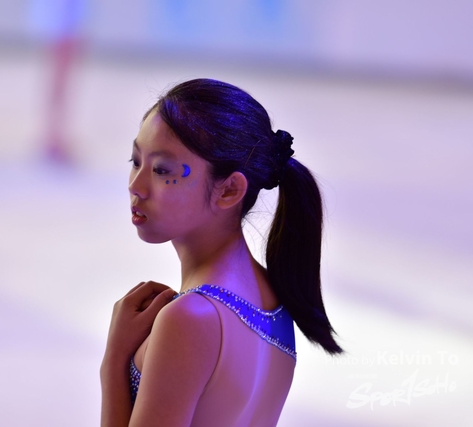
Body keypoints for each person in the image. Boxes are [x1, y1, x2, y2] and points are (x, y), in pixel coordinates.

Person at [101, 79, 343, 427]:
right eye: (135, 161)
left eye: (162, 170)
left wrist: (114, 361)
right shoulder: (275, 301)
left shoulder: (190, 318)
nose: (135, 186)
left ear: (229, 190)